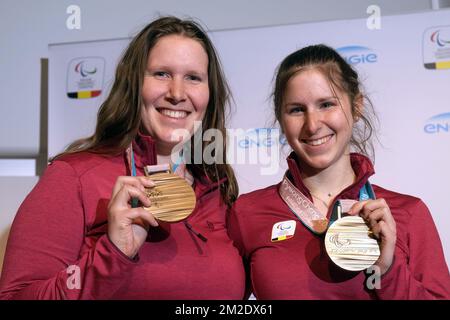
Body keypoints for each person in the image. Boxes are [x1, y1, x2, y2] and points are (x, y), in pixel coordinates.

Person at [0, 16, 245, 299]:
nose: (177, 93)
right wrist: (112, 253)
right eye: (161, 74)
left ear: (210, 93)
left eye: (193, 77)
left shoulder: (218, 188)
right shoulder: (73, 177)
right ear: (133, 84)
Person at [228, 44, 450, 299]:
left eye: (326, 104)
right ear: (280, 118)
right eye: (297, 110)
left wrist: (387, 271)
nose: (312, 125)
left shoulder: (408, 213)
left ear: (356, 107)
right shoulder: (247, 213)